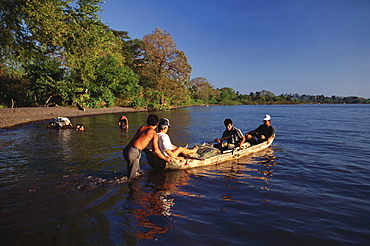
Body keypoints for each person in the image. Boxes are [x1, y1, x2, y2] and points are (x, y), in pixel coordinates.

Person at [123, 114, 170, 180]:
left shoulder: (141, 128)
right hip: (133, 152)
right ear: (157, 124)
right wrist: (165, 158)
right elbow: (155, 150)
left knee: (138, 172)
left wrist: (146, 150)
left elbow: (137, 143)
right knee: (132, 178)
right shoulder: (153, 133)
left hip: (127, 149)